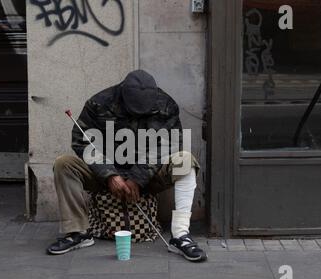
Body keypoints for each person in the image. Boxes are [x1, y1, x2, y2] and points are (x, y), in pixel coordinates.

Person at [48, 70, 207, 262]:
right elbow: (82, 141)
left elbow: (170, 144)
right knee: (63, 164)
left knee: (185, 160)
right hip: (104, 176)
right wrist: (109, 175)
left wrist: (137, 178)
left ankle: (180, 235)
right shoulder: (99, 103)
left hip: (149, 177)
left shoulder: (166, 105)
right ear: (122, 94)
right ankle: (77, 233)